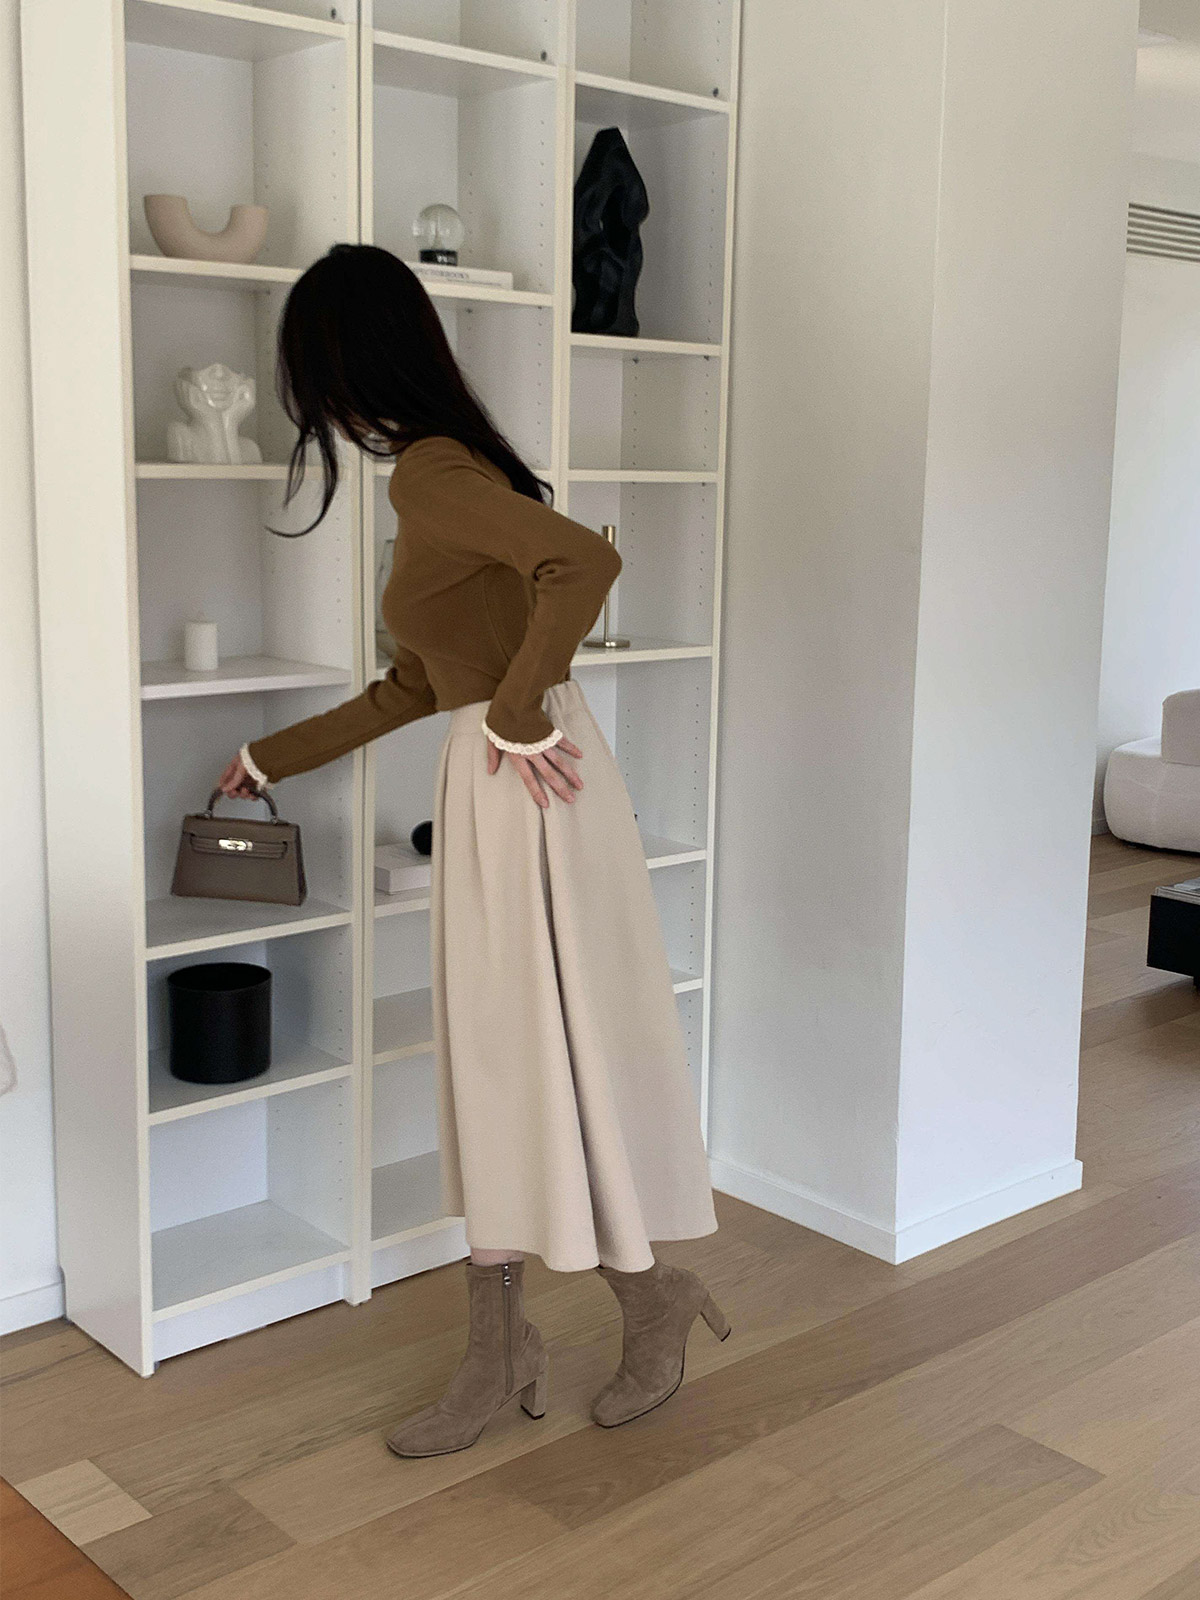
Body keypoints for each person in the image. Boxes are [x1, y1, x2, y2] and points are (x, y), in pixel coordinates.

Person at [217, 244, 728, 1457]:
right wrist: (268, 757)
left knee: (535, 1058)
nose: (315, 405)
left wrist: (516, 707)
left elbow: (585, 560)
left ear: (350, 363)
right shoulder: (444, 474)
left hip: (524, 787)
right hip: (507, 783)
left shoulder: (431, 473)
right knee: (511, 1063)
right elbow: (414, 683)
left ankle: (620, 1307)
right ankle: (530, 1338)